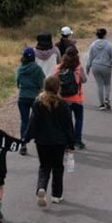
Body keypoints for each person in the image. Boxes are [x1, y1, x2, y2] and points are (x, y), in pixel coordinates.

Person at [24, 76, 75, 205]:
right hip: (59, 142)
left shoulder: (38, 103)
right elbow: (68, 125)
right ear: (58, 87)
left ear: (45, 86)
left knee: (44, 167)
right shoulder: (63, 104)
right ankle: (56, 195)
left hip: (42, 141)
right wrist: (71, 142)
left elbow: (32, 123)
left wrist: (26, 138)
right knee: (58, 167)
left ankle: (41, 188)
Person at [55, 47, 87, 149]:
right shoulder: (78, 68)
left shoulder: (58, 68)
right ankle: (78, 141)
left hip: (63, 99)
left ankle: (67, 141)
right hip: (77, 99)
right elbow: (85, 80)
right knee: (78, 120)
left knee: (65, 121)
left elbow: (54, 80)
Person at [15, 47, 45, 155]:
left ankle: (23, 144)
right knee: (39, 120)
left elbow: (17, 83)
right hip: (34, 97)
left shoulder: (20, 68)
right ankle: (42, 142)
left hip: (22, 97)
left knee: (24, 121)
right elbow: (41, 84)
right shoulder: (37, 68)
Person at [86, 28, 112, 110]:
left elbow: (90, 57)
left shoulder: (93, 45)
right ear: (105, 35)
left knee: (99, 85)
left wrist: (88, 67)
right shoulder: (109, 45)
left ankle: (101, 104)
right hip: (106, 66)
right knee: (107, 84)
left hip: (95, 66)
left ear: (96, 35)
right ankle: (107, 99)